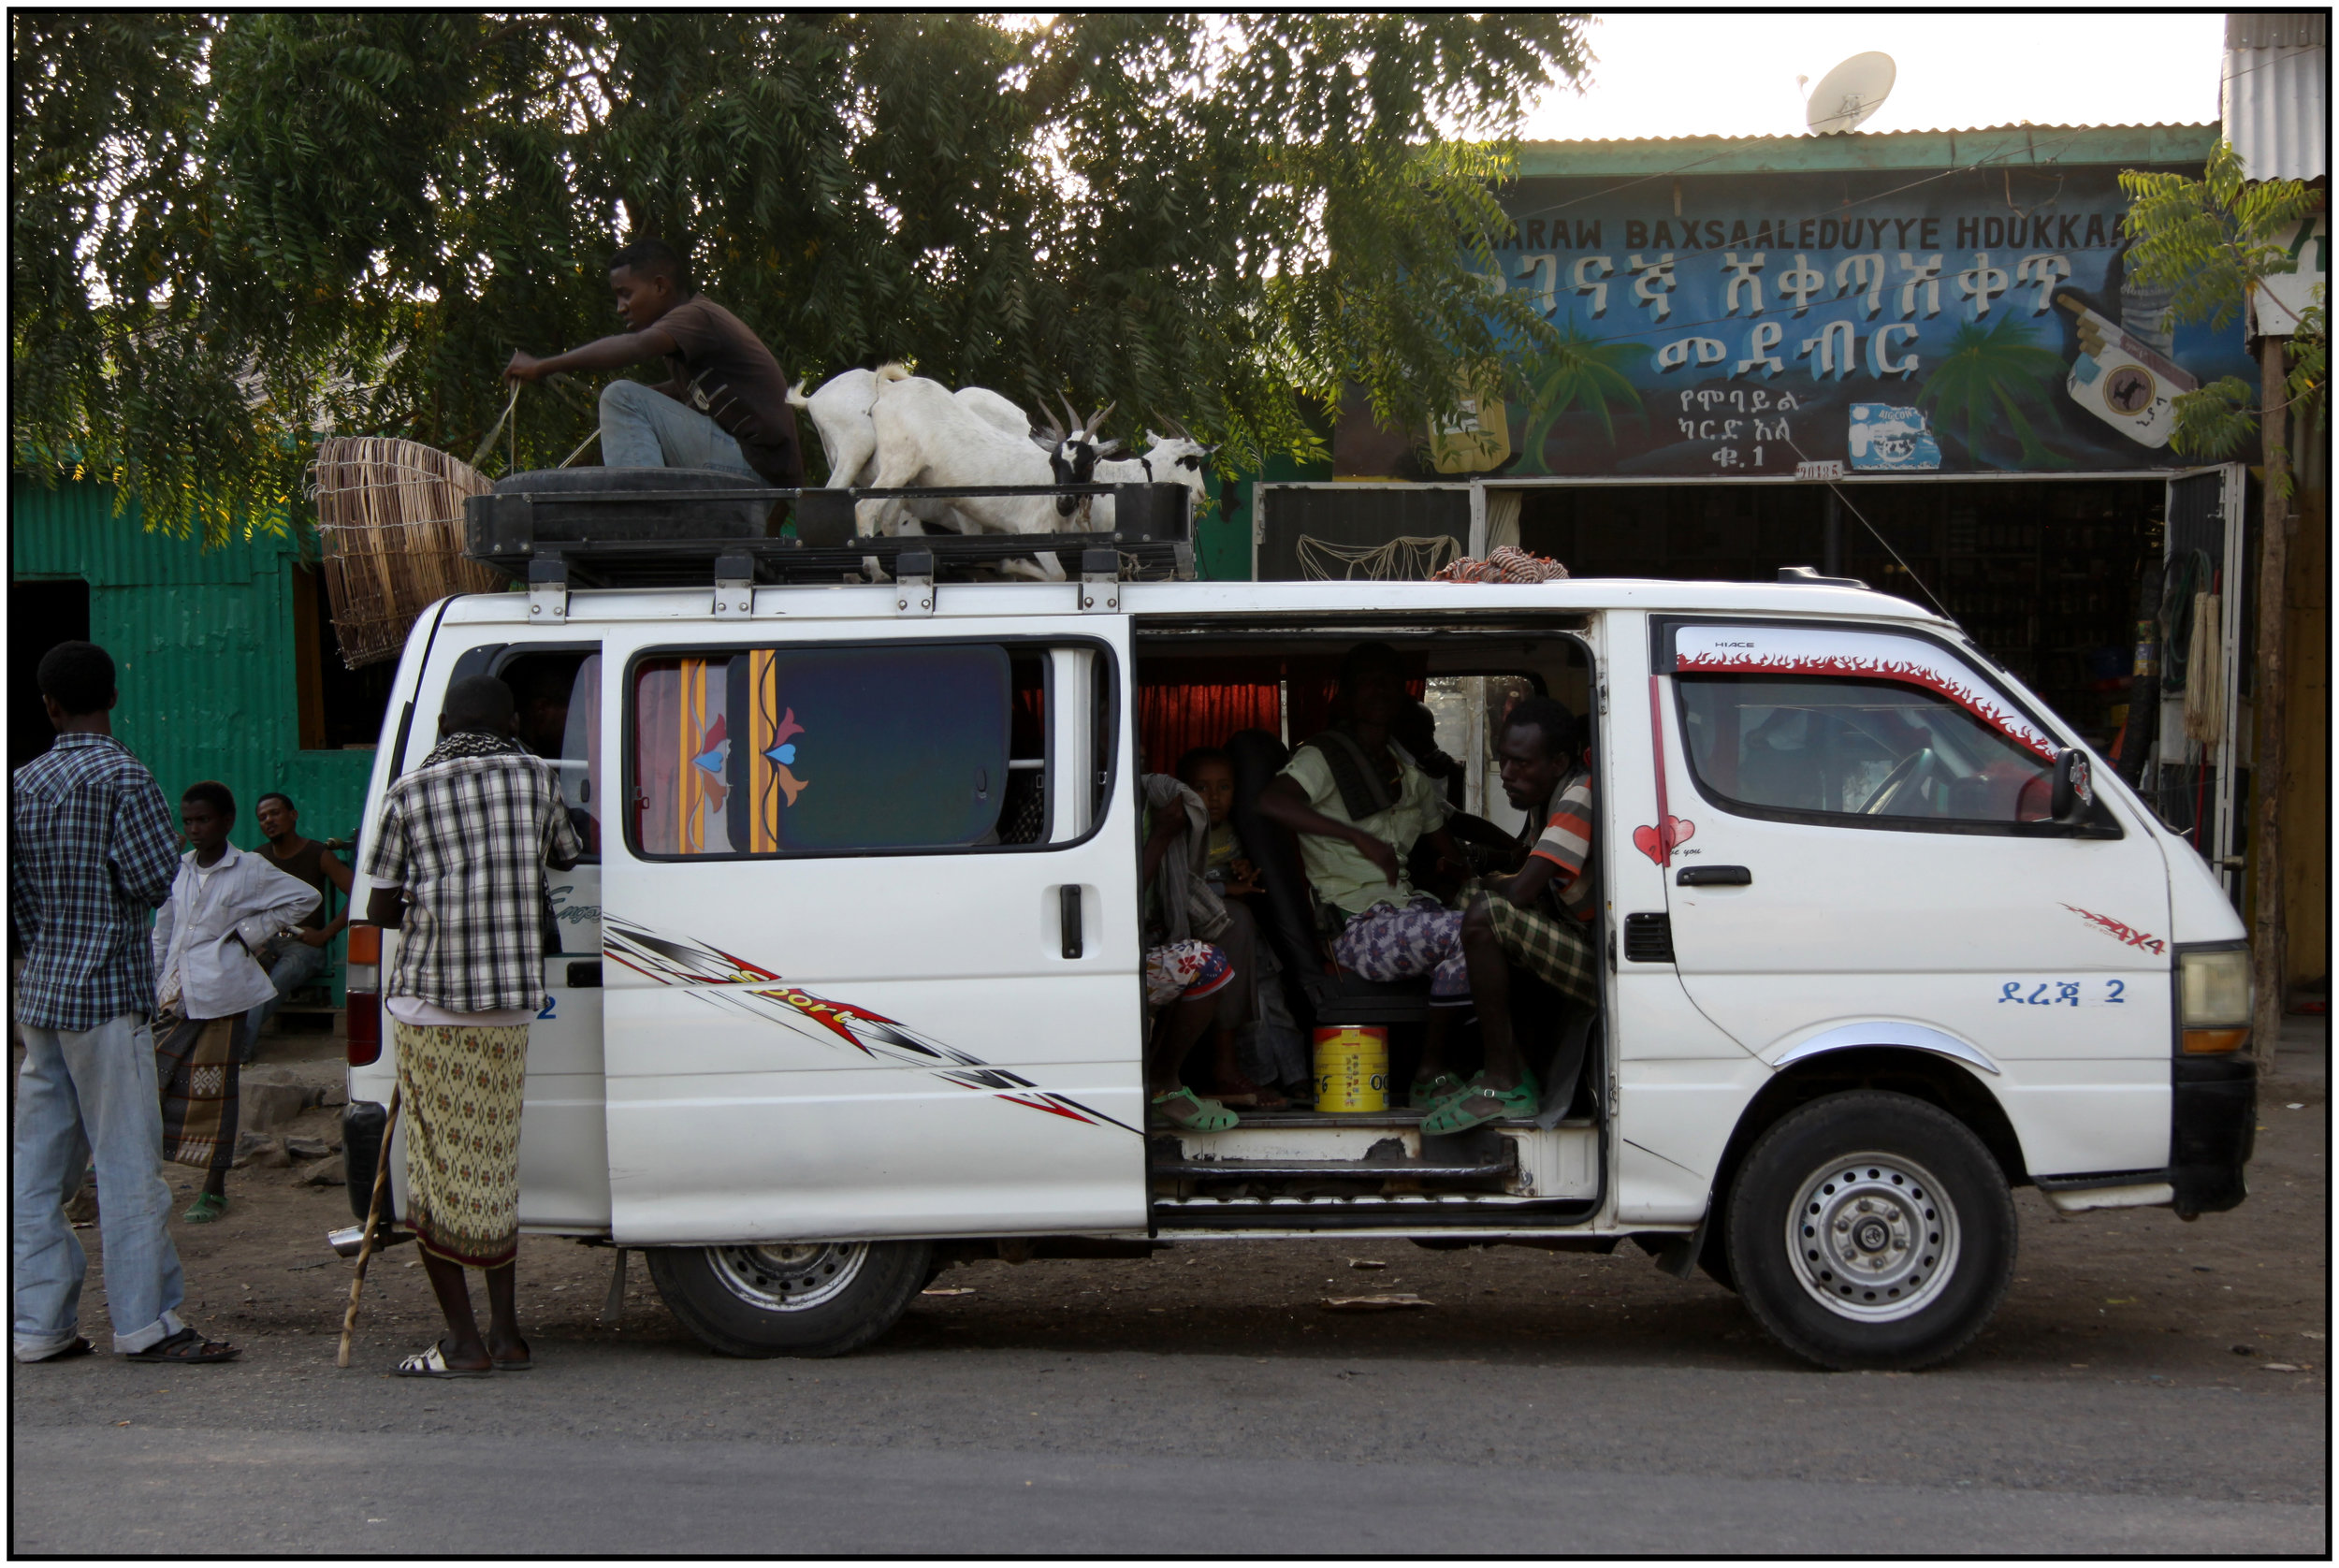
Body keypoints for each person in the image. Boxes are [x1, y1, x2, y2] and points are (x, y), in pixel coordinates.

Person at [11, 642, 239, 1365]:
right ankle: (146, 1322)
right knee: (126, 1165)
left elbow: (14, 901)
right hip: (106, 996)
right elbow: (148, 881)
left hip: (40, 997)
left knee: (36, 1173)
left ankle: (39, 1324)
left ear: (49, 706)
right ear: (113, 696)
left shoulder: (23, 781)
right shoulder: (124, 774)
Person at [361, 675, 582, 1377]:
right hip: (511, 1003)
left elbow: (379, 907)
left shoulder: (408, 791)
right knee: (491, 1165)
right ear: (512, 719)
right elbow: (567, 856)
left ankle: (462, 1344)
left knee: (434, 1172)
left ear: (446, 722)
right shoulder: (533, 777)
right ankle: (507, 1334)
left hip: (431, 1001)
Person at [1254, 643, 1472, 1108]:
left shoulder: (1408, 774)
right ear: (1346, 694)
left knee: (1499, 921)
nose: (1381, 690)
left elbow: (1448, 851)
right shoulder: (1322, 757)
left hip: (1409, 912)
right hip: (1357, 926)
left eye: (1390, 681)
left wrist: (1479, 876)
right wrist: (1355, 837)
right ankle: (1431, 1073)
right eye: (1368, 681)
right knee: (1473, 932)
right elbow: (1272, 801)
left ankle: (1482, 1069)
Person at [504, 237, 806, 489]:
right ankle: (653, 505)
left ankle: (642, 514)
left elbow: (636, 347)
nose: (620, 308)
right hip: (763, 474)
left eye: (626, 294)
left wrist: (543, 366)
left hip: (757, 472)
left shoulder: (695, 317)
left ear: (660, 287)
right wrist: (654, 398)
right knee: (636, 400)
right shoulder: (691, 337)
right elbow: (686, 391)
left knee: (621, 396)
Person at [1430, 699, 1601, 1135]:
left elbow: (1523, 888)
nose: (1506, 773)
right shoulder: (1547, 800)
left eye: (1521, 763)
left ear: (1558, 761)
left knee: (1487, 914)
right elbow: (1525, 869)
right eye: (1503, 759)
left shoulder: (1578, 795)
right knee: (1475, 896)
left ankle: (1503, 1079)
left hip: (1604, 968)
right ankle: (1498, 1063)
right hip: (1573, 941)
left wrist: (1493, 881)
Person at [153, 783, 321, 1220]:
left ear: (227, 822)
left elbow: (307, 898)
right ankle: (142, 1179)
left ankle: (214, 1189)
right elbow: (164, 929)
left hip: (222, 993)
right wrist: (153, 980)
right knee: (151, 1080)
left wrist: (248, 934)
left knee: (215, 1094)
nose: (194, 829)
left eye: (203, 820)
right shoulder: (181, 868)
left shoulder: (251, 868)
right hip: (175, 992)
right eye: (188, 821)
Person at [1142, 765, 1279, 1112]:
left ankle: (1226, 1065)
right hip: (1133, 934)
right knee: (1211, 957)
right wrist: (1160, 835)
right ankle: (1167, 1077)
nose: (1213, 797)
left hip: (1174, 922)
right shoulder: (1129, 814)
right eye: (1201, 787)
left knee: (1237, 926)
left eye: (1223, 787)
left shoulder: (1229, 832)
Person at [237, 791, 355, 1063]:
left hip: (303, 945)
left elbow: (358, 893)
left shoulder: (318, 854)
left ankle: (240, 1048)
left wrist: (326, 933)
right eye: (262, 817)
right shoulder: (258, 858)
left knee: (278, 978)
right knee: (232, 966)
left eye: (275, 813)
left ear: (293, 815)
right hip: (266, 941)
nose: (269, 821)